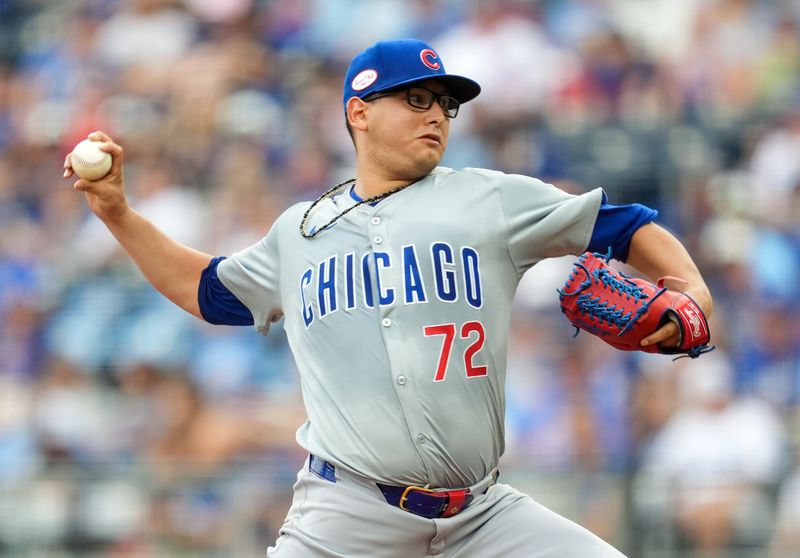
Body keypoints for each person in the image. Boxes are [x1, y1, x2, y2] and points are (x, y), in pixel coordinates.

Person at [64, 38, 712, 558]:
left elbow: (627, 225)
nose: (436, 114)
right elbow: (208, 291)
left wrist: (694, 292)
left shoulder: (489, 197)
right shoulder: (301, 230)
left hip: (483, 516)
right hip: (345, 516)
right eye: (417, 98)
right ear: (359, 111)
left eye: (444, 104)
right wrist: (118, 212)